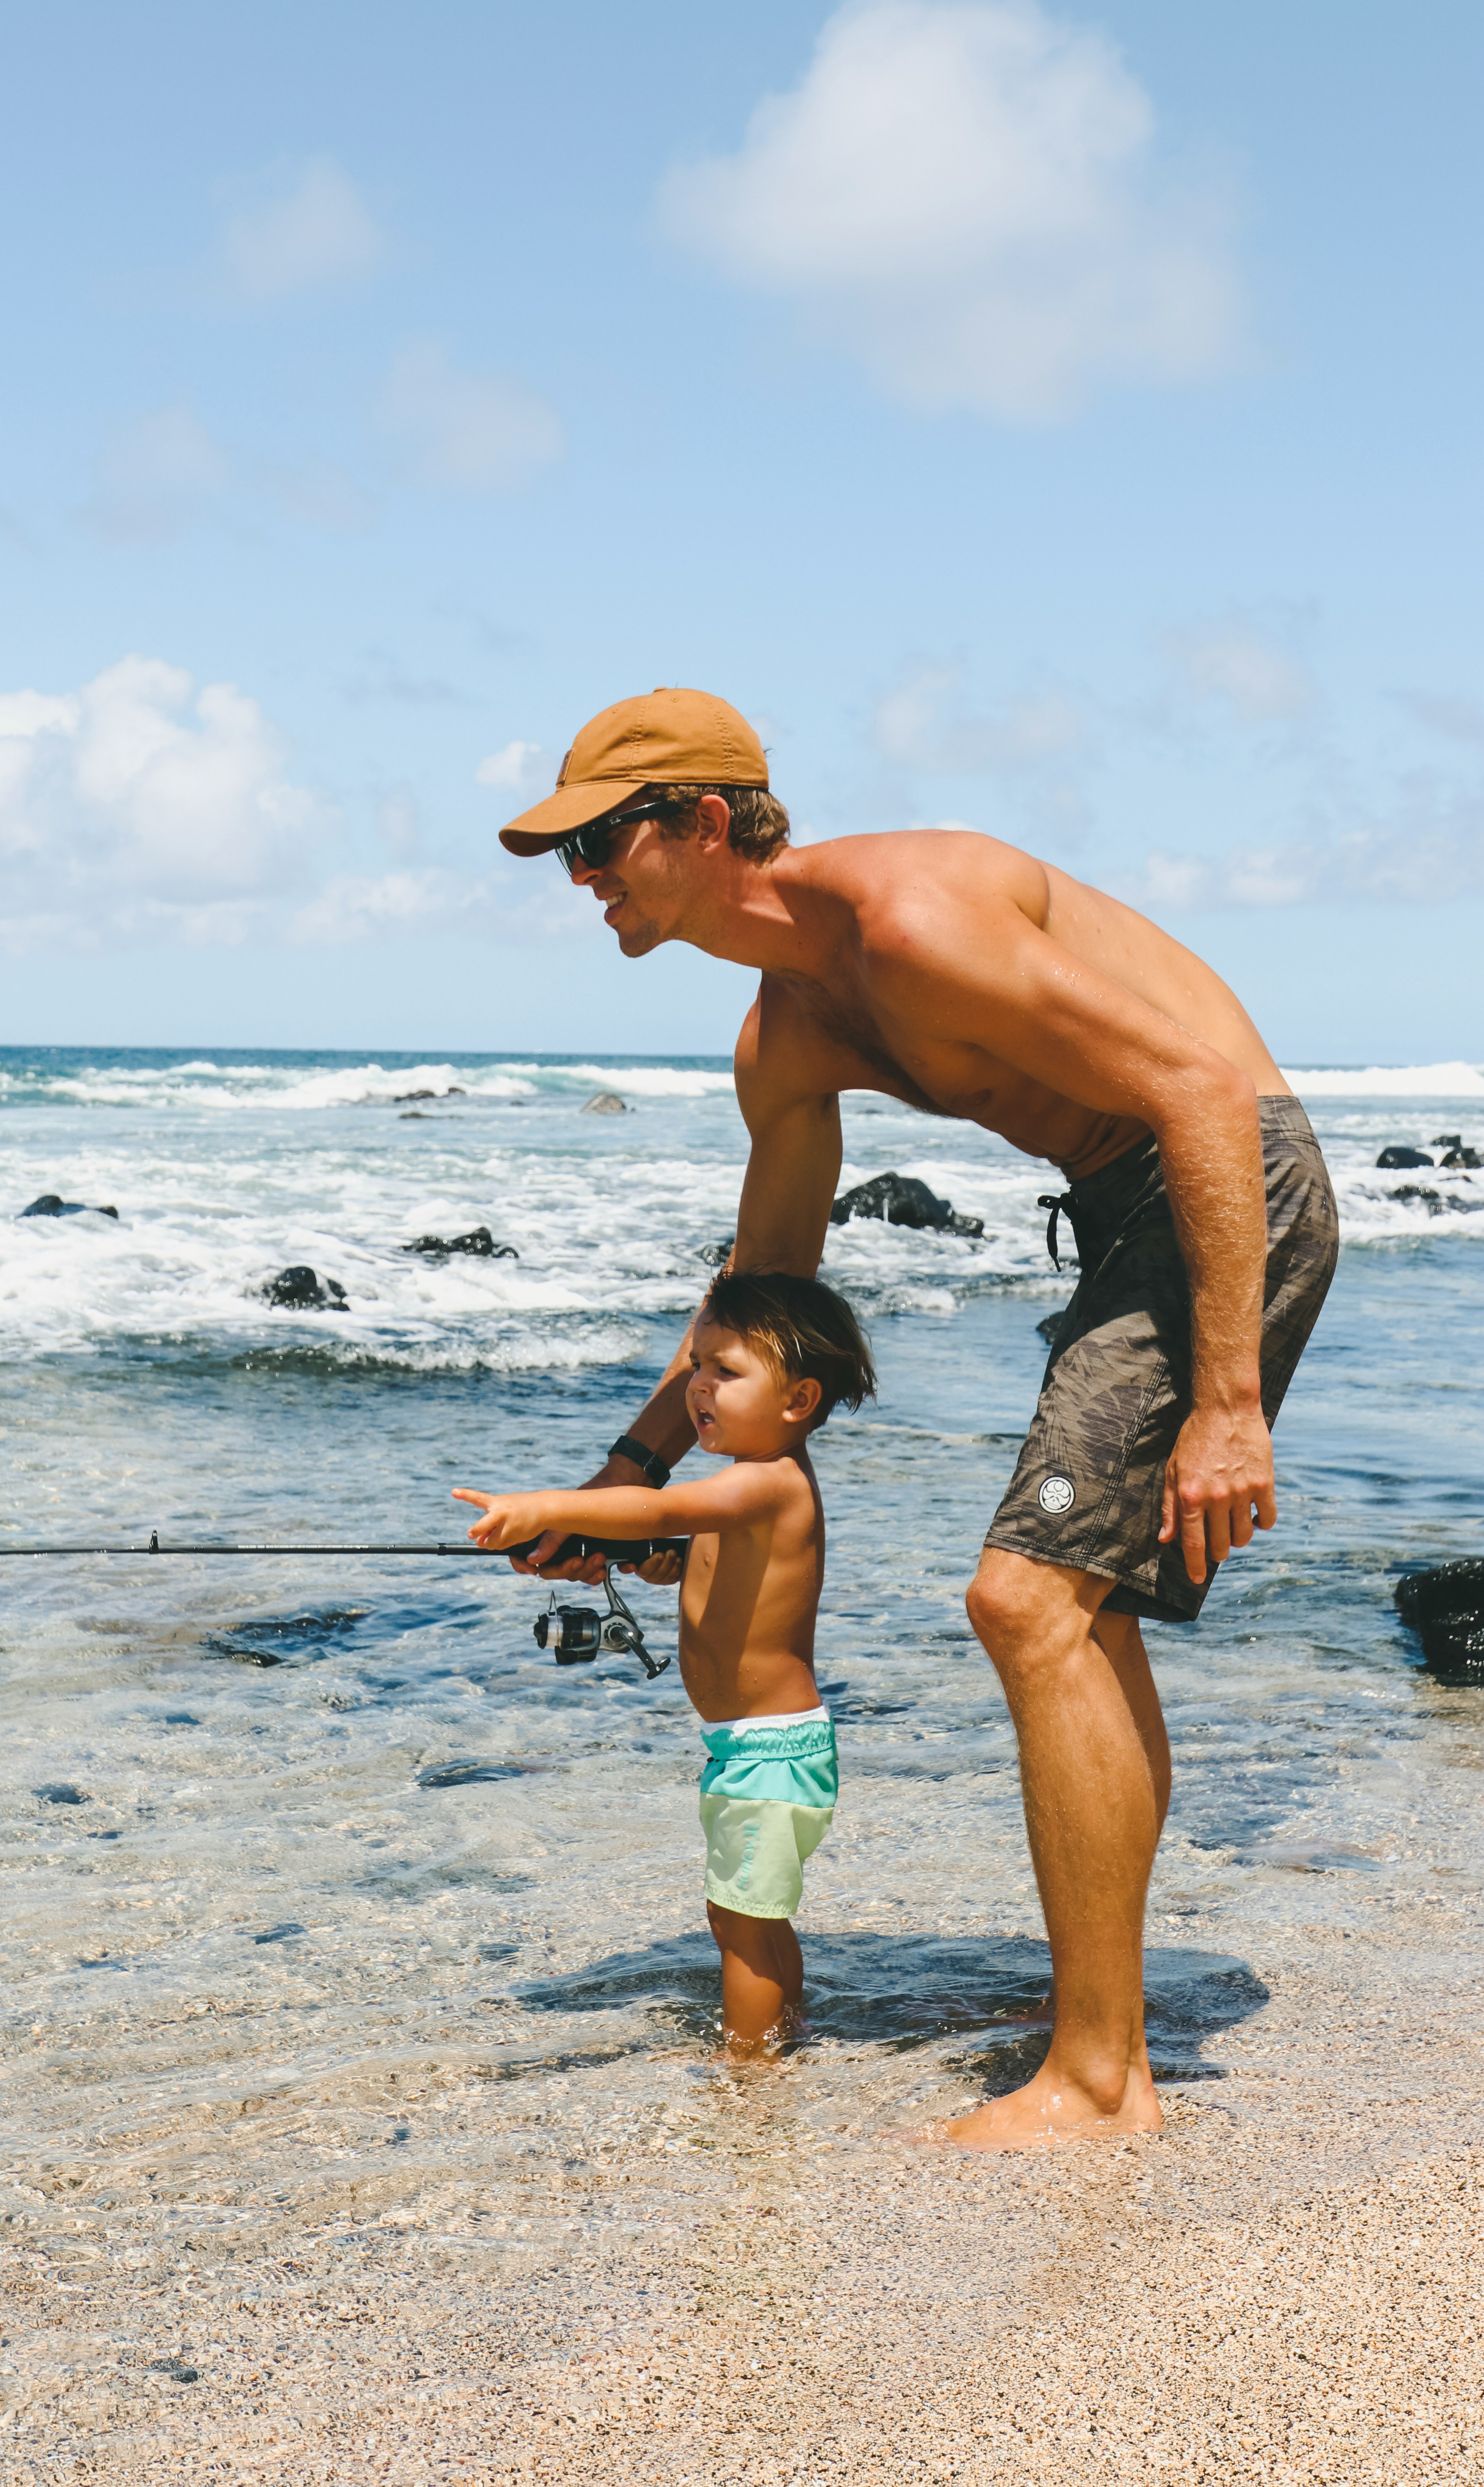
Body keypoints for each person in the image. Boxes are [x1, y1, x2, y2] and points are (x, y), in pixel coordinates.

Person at [492, 686, 1339, 2147]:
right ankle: (1103, 2021)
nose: (583, 881)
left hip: (1219, 1189)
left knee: (1027, 1605)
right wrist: (635, 1467)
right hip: (1136, 1211)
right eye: (565, 857)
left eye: (604, 844)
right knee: (1079, 1616)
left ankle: (1095, 2082)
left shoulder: (912, 917)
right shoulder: (788, 1036)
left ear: (704, 822)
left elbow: (1203, 1092)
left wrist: (1228, 1405)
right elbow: (768, 1295)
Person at [455, 1270, 875, 2055]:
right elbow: (695, 1546)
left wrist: (549, 1506)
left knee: (744, 1923)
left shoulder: (768, 1483)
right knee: (745, 1914)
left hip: (770, 1752)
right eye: (699, 1367)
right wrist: (666, 1564)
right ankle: (788, 2036)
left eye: (728, 1372)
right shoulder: (743, 1495)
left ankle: (750, 2075)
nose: (701, 1389)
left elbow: (657, 1505)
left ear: (798, 1402)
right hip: (750, 1748)